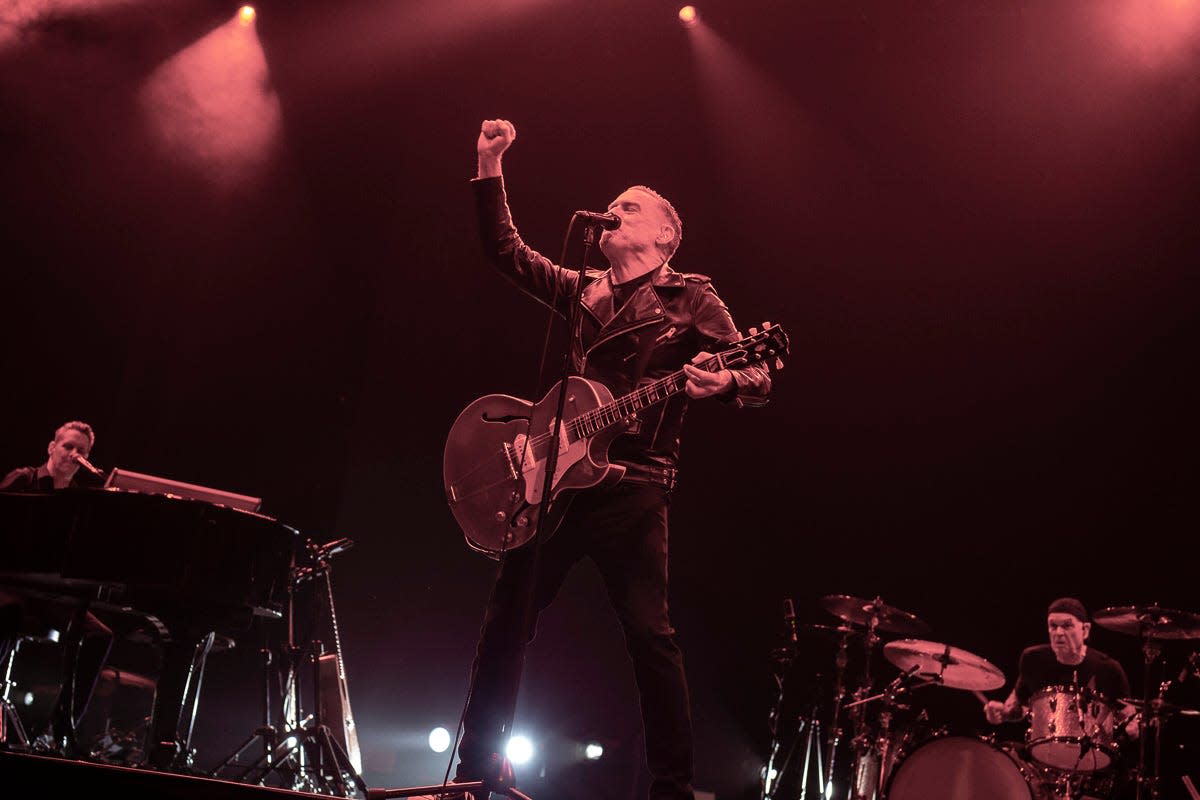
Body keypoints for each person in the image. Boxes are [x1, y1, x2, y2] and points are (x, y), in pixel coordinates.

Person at [452, 119, 772, 800]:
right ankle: (475, 771)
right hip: (558, 483)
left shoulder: (693, 299)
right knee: (507, 618)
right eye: (613, 205)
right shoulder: (583, 289)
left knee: (650, 637)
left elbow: (759, 374)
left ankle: (672, 788)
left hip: (634, 487)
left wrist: (730, 381)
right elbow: (503, 249)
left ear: (664, 236)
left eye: (629, 206)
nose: (612, 210)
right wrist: (489, 166)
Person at [0, 420, 112, 756]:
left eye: (83, 451)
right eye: (69, 447)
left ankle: (61, 727)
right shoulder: (24, 479)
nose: (75, 455)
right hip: (10, 583)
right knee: (7, 612)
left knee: (99, 634)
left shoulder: (81, 501)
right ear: (52, 447)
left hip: (49, 593)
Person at [984, 597, 1132, 727]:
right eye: (1053, 626)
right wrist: (1002, 713)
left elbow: (1129, 716)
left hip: (1093, 755)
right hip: (1043, 750)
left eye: (1067, 626)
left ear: (1085, 630)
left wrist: (1132, 725)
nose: (1059, 633)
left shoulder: (1108, 668)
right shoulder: (1033, 659)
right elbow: (1019, 706)